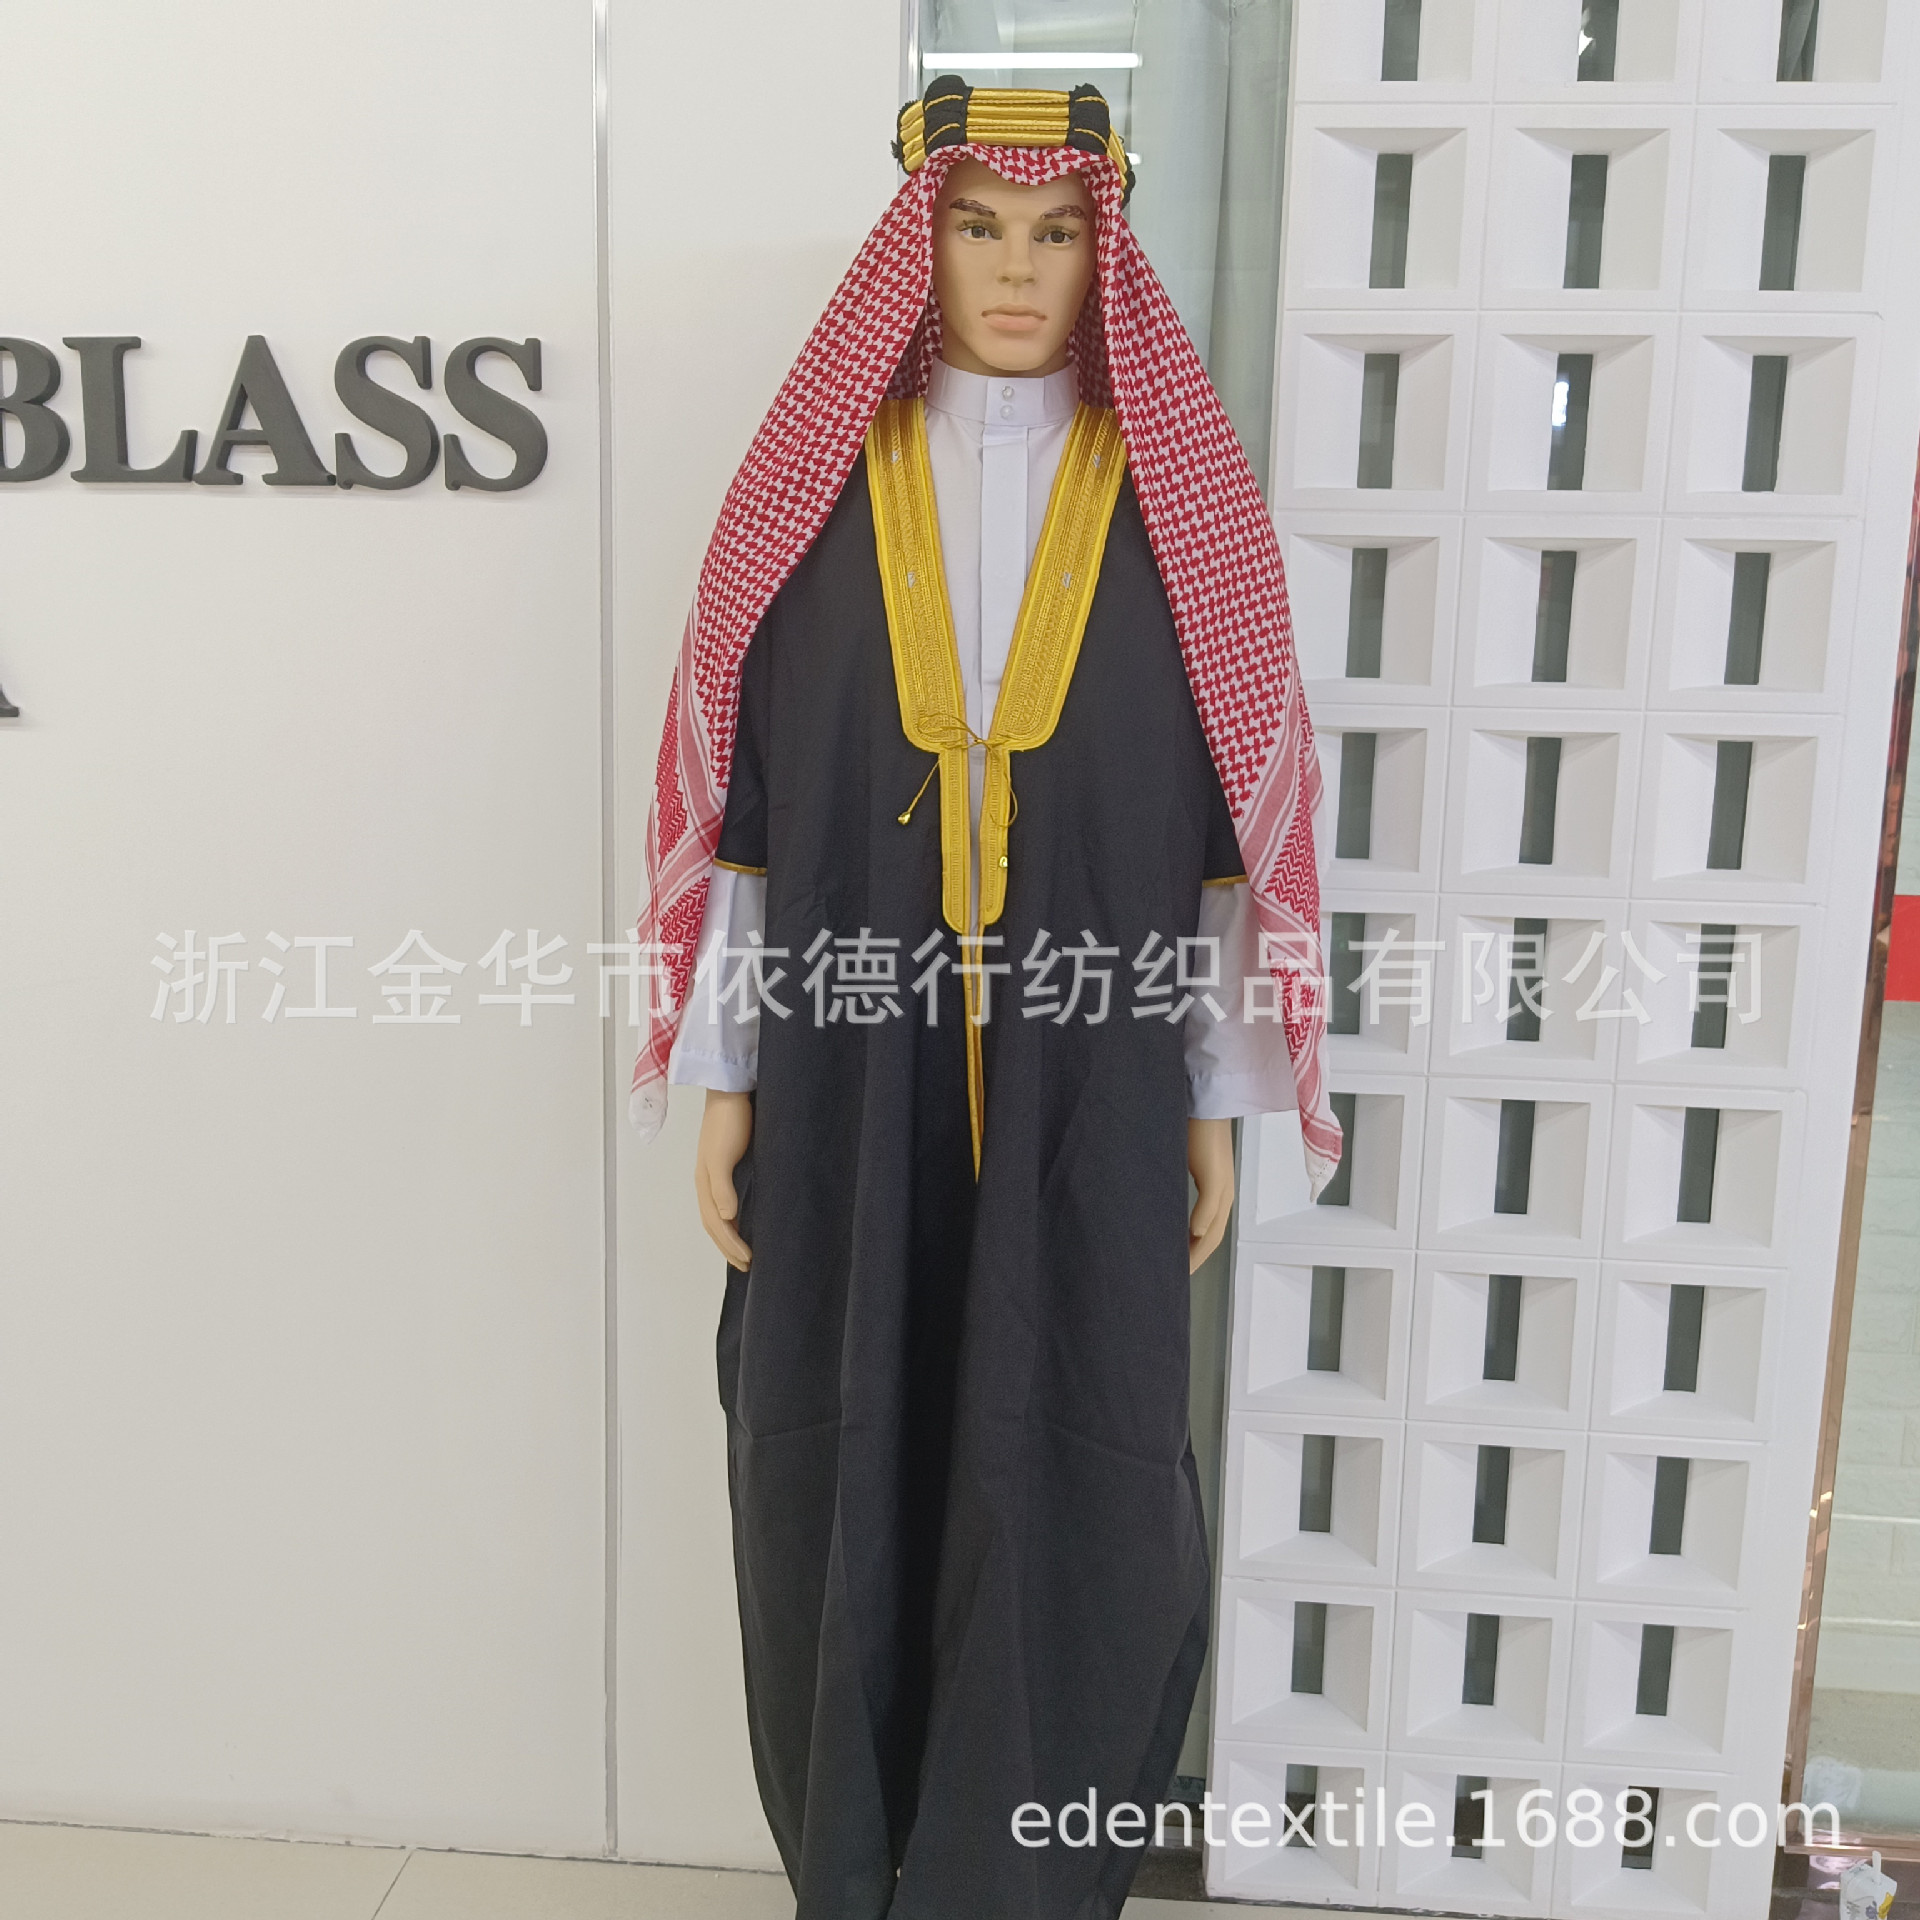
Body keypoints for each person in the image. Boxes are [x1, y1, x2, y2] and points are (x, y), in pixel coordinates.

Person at [631, 77, 1338, 1920]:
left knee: (1077, 1459)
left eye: (1056, 232)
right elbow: (748, 821)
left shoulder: (1183, 519)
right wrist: (727, 1080)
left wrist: (1208, 1101)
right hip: (842, 1081)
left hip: (1095, 1088)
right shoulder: (810, 504)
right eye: (977, 228)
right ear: (921, 242)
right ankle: (855, 1869)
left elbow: (1215, 841)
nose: (1016, 269)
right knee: (837, 1456)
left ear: (1104, 253)